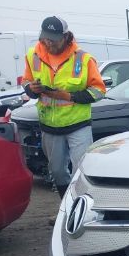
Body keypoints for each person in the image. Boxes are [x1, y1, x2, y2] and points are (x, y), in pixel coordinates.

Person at [21, 16, 106, 197]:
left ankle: (79, 207)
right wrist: (32, 89)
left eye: (53, 38)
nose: (48, 42)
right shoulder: (33, 55)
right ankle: (65, 207)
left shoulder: (83, 58)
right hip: (49, 126)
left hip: (78, 124)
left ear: (66, 37)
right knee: (57, 172)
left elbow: (99, 90)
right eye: (46, 37)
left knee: (80, 171)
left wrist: (68, 96)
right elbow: (26, 82)